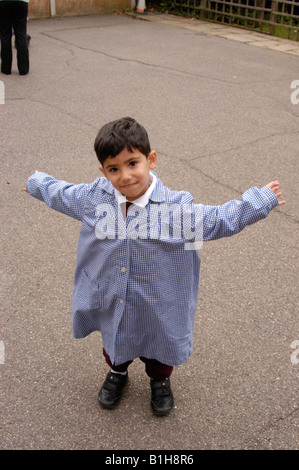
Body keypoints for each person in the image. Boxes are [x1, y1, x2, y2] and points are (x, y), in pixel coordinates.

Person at [25, 117, 286, 415]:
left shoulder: (176, 210)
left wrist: (258, 202)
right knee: (114, 342)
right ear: (103, 171)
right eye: (114, 169)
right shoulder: (94, 198)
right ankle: (118, 373)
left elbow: (218, 220)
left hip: (158, 301)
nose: (124, 176)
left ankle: (159, 382)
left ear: (151, 159)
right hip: (111, 295)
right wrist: (37, 183)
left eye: (132, 163)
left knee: (160, 352)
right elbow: (61, 193)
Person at [0, 0, 29, 75]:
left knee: (5, 35)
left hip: (3, 2)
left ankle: (6, 68)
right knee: (21, 34)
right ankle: (23, 69)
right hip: (21, 2)